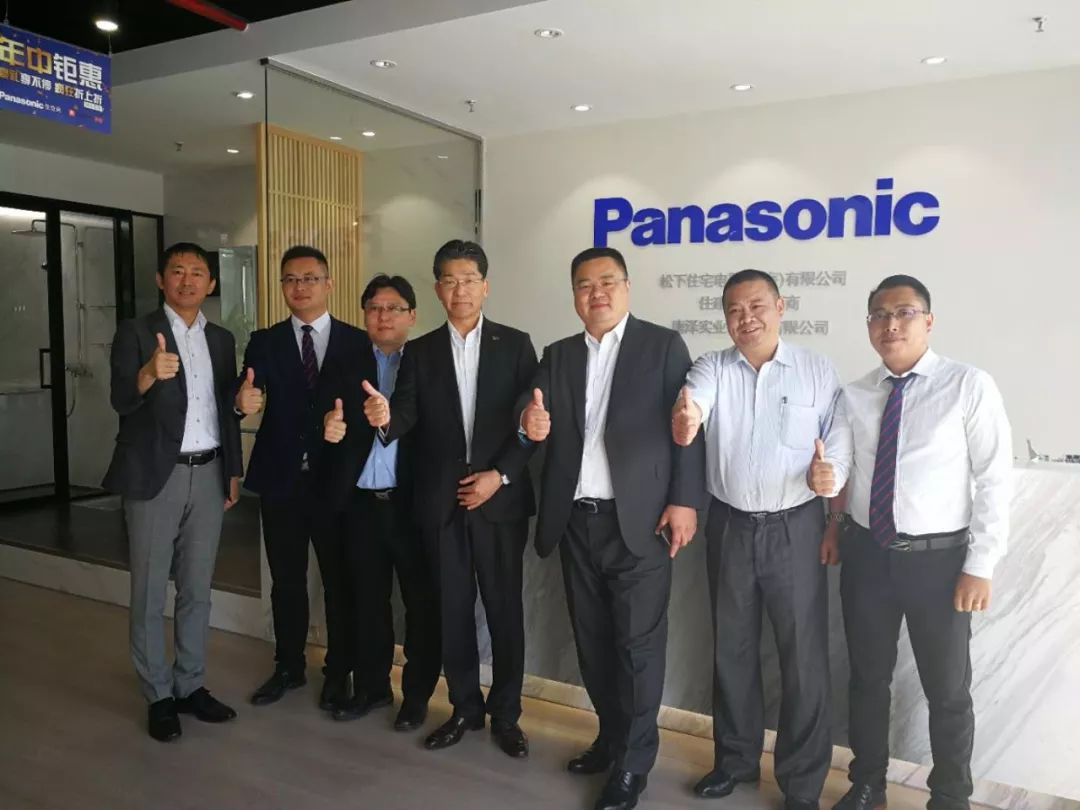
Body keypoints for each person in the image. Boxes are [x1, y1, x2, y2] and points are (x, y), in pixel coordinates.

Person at [519, 246, 706, 810]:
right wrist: (529, 421)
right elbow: (529, 410)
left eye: (607, 281)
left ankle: (633, 763)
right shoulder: (557, 354)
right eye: (584, 284)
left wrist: (684, 501)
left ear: (626, 287)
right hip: (577, 523)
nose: (595, 292)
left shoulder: (662, 346)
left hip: (640, 523)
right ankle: (611, 737)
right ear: (574, 295)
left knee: (638, 649)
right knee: (594, 643)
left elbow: (687, 427)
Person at [821, 275, 1011, 810]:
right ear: (869, 327)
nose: (891, 324)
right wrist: (827, 483)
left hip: (940, 563)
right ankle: (867, 784)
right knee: (867, 679)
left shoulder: (968, 385)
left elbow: (995, 478)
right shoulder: (855, 394)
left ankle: (950, 796)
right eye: (879, 315)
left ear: (928, 320)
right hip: (867, 557)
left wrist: (981, 563)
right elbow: (841, 465)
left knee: (947, 690)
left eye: (903, 312)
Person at [672, 268, 848, 810]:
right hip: (730, 525)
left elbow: (838, 440)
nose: (746, 318)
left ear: (780, 307)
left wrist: (831, 476)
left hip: (796, 527)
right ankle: (735, 762)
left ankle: (802, 784)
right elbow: (694, 403)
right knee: (733, 650)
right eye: (734, 310)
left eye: (756, 307)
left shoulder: (817, 370)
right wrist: (687, 418)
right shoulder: (711, 367)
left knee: (803, 658)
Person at [355, 240, 537, 757]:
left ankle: (507, 714)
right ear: (438, 289)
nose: (460, 289)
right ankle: (464, 708)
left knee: (504, 610)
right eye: (450, 281)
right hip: (442, 502)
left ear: (485, 285)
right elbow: (406, 413)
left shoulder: (516, 345)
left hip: (498, 501)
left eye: (469, 279)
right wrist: (385, 418)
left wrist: (499, 475)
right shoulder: (421, 351)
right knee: (452, 610)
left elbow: (529, 426)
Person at [103, 242, 243, 742]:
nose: (187, 280)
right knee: (148, 589)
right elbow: (120, 399)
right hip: (153, 475)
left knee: (197, 588)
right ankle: (158, 694)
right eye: (177, 271)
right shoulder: (136, 331)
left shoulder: (221, 339)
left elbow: (225, 409)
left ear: (211, 283)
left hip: (209, 472)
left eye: (197, 272)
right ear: (161, 280)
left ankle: (190, 684)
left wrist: (233, 469)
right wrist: (146, 374)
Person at [236, 245, 366, 713]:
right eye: (290, 279)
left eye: (310, 278)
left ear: (329, 284)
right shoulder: (265, 341)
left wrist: (345, 425)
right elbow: (246, 391)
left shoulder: (356, 341)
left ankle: (338, 670)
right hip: (282, 479)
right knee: (286, 580)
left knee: (338, 580)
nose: (300, 287)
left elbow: (369, 411)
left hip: (336, 482)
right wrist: (241, 403)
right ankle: (288, 665)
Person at [320, 274, 441, 731]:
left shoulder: (430, 363)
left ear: (412, 315)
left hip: (412, 505)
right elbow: (324, 416)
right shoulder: (346, 364)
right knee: (367, 602)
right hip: (361, 505)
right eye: (374, 308)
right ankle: (372, 688)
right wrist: (329, 427)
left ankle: (417, 696)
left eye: (394, 308)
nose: (383, 316)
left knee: (420, 605)